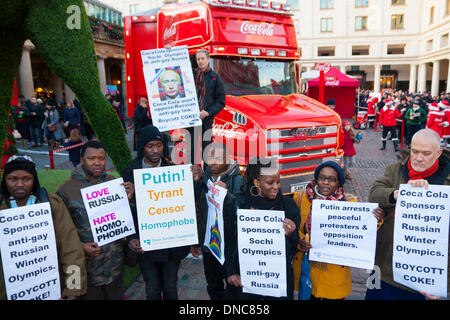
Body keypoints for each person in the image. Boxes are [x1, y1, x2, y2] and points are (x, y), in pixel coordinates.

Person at [366, 129, 450, 300]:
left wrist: (442, 283)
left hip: (418, 278)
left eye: (426, 153)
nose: (419, 158)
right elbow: (375, 193)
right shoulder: (396, 169)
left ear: (438, 152)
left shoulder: (446, 181)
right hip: (382, 265)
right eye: (415, 151)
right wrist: (397, 194)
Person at [121, 125, 203, 300]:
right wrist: (131, 237)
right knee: (152, 288)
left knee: (170, 287)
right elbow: (125, 211)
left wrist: (196, 181)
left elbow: (188, 202)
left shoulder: (174, 170)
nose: (155, 150)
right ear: (142, 147)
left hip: (171, 244)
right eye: (150, 146)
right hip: (146, 244)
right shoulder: (130, 173)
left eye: (158, 145)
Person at [292, 161, 383, 300]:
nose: (326, 183)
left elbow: (362, 232)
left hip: (334, 278)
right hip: (308, 272)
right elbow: (294, 227)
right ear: (316, 179)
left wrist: (376, 219)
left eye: (332, 179)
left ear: (339, 183)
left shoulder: (349, 204)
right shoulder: (301, 198)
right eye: (322, 178)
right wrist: (300, 241)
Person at [0, 155, 87, 300]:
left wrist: (73, 287)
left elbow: (71, 248)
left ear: (34, 180)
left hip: (49, 288)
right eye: (13, 179)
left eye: (26, 179)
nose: (20, 184)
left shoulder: (52, 204)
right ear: (5, 180)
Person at [57, 141, 126, 300]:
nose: (97, 162)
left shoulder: (113, 182)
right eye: (91, 158)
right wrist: (81, 246)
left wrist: (130, 198)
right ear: (82, 160)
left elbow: (124, 219)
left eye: (101, 158)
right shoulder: (65, 190)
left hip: (114, 266)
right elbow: (60, 232)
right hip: (86, 270)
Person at [225, 157, 300, 300]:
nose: (276, 187)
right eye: (270, 182)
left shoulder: (288, 205)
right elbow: (229, 242)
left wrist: (291, 234)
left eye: (278, 181)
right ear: (256, 182)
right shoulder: (238, 205)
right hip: (244, 281)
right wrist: (231, 272)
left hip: (277, 282)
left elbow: (295, 246)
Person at [190, 142, 243, 300]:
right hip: (209, 246)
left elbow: (240, 214)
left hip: (229, 249)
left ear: (228, 159)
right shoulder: (204, 175)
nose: (213, 161)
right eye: (210, 157)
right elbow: (198, 209)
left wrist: (227, 196)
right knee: (213, 285)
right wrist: (197, 183)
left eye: (218, 158)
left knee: (233, 287)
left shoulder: (238, 180)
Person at [188, 49, 225, 164]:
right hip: (191, 120)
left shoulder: (215, 78)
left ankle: (207, 176)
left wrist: (208, 112)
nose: (200, 61)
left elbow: (220, 101)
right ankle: (192, 177)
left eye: (203, 58)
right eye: (198, 59)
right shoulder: (190, 75)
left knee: (207, 150)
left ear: (208, 59)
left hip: (206, 120)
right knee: (191, 151)